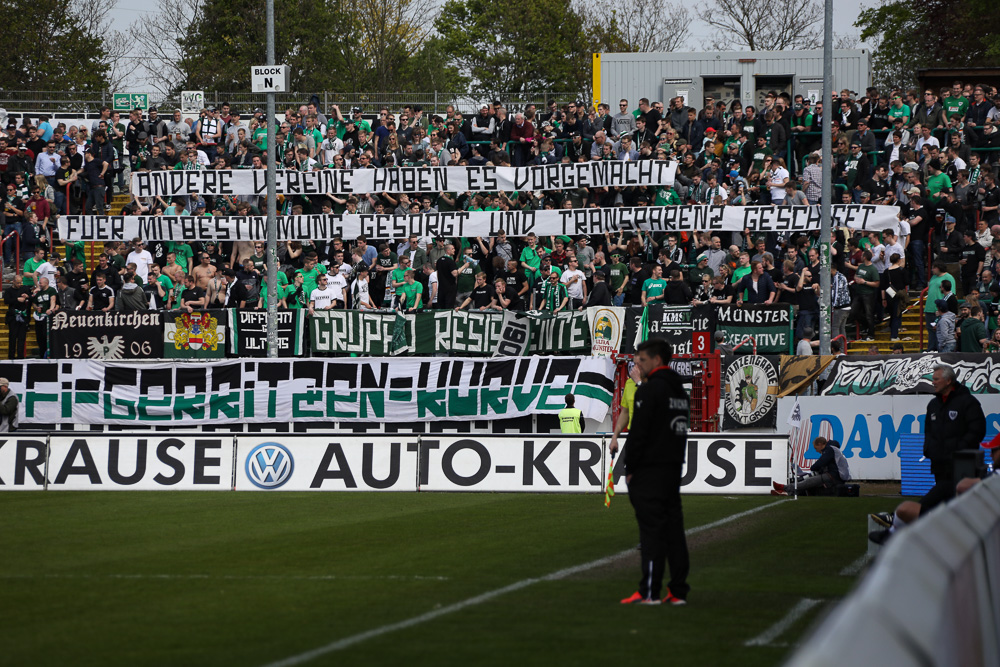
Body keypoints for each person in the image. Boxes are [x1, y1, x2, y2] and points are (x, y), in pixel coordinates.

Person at [870, 365, 986, 544]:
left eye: (936, 379)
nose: (933, 383)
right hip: (939, 464)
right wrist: (928, 450)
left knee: (937, 497)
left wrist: (958, 450)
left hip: (962, 465)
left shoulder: (967, 402)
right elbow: (929, 432)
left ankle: (896, 526)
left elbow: (978, 430)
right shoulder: (933, 404)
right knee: (946, 503)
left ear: (948, 381)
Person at [616, 338, 690, 606]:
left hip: (650, 470)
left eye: (642, 360)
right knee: (674, 531)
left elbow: (639, 433)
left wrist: (631, 468)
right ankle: (678, 590)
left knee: (651, 532)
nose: (637, 364)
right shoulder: (679, 391)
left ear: (656, 360)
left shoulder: (650, 391)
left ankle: (649, 592)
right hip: (672, 468)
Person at [771, 437, 850, 496]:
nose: (816, 450)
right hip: (836, 476)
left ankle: (784, 488)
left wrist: (813, 468)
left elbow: (821, 463)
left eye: (816, 448)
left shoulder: (829, 449)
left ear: (820, 444)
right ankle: (789, 492)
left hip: (834, 476)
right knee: (809, 481)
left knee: (809, 481)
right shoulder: (834, 449)